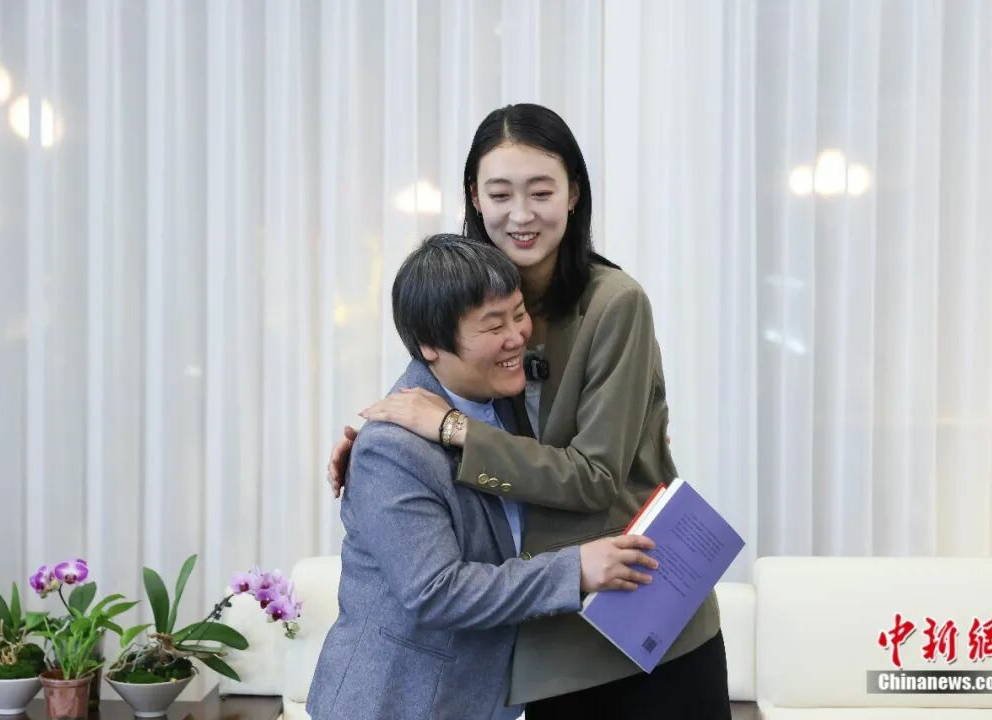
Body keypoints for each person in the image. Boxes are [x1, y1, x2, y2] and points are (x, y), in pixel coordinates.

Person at [331, 104, 730, 718]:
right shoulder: (467, 289)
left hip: (641, 604)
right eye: (500, 194)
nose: (520, 215)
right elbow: (426, 388)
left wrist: (452, 430)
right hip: (546, 629)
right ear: (474, 197)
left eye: (541, 192)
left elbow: (595, 477)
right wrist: (377, 444)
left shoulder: (614, 303)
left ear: (574, 194)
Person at [306, 234, 659, 720]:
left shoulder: (506, 404)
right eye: (494, 325)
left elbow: (573, 468)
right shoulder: (390, 450)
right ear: (430, 345)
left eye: (519, 313)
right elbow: (436, 591)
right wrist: (574, 569)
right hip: (396, 704)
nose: (517, 336)